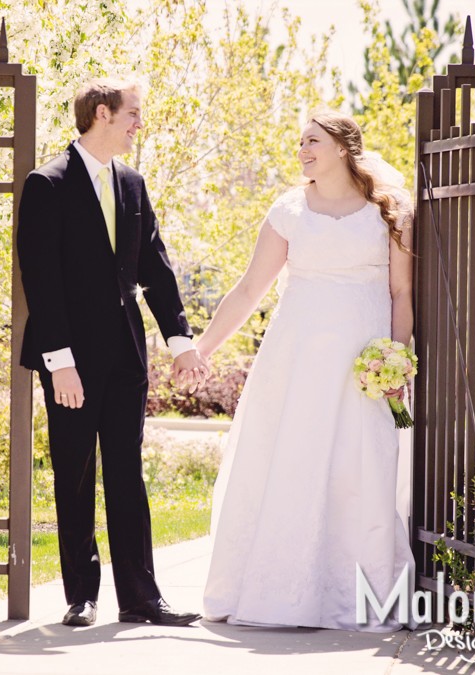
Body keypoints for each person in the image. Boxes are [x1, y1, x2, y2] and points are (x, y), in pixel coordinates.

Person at [198, 111, 416, 630]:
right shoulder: (289, 211)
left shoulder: (388, 211)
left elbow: (402, 292)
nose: (303, 150)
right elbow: (250, 289)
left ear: (343, 147)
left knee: (358, 466)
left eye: (313, 141)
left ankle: (359, 591)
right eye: (300, 142)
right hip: (293, 362)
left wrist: (396, 358)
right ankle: (281, 590)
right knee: (291, 461)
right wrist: (202, 347)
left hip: (361, 363)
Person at [17, 78, 208, 628]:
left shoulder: (132, 183)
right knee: (74, 473)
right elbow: (42, 279)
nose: (138, 124)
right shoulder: (47, 183)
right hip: (69, 361)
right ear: (102, 114)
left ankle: (142, 599)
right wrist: (60, 362)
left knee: (127, 473)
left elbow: (156, 266)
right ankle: (81, 595)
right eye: (132, 114)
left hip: (127, 357)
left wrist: (180, 341)